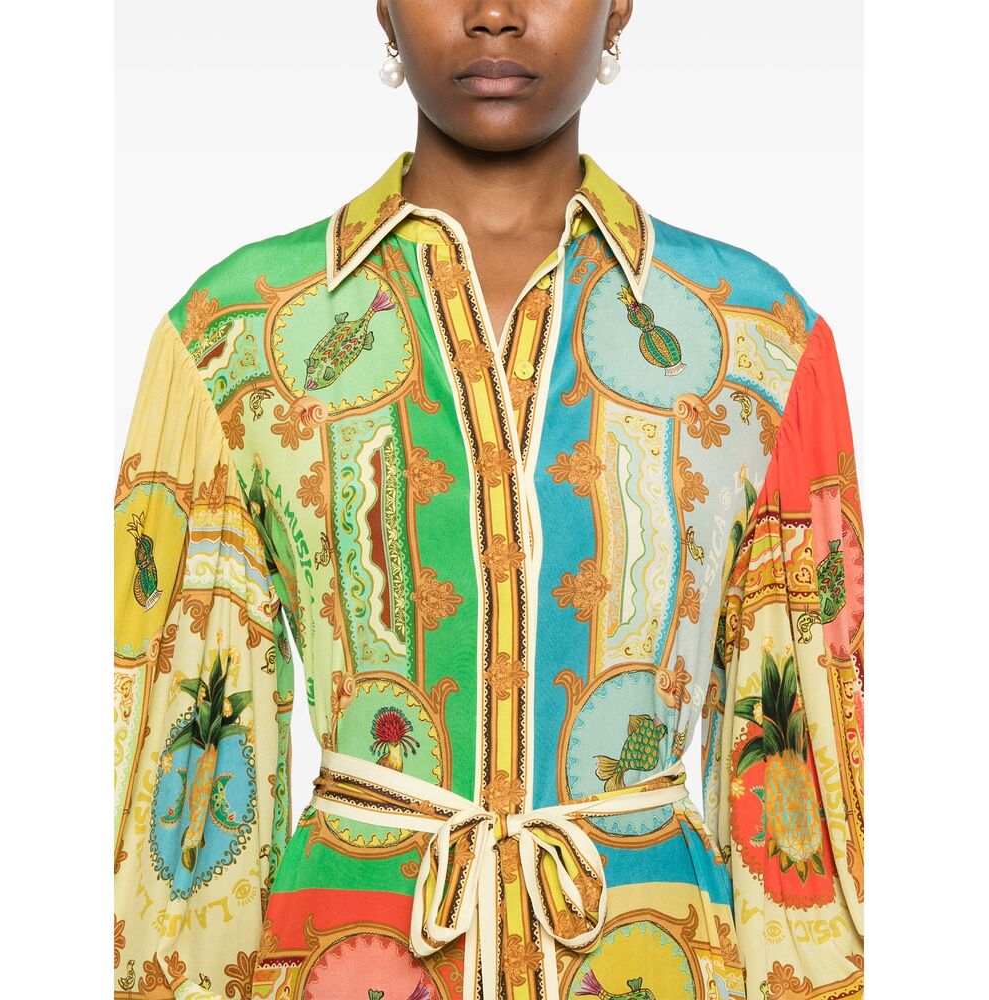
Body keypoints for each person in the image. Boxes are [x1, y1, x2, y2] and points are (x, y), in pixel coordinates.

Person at [113, 3, 864, 999]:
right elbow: (181, 796)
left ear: (620, 4)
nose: (494, 13)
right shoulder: (234, 338)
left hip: (652, 955)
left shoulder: (757, 343)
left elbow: (805, 778)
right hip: (349, 954)